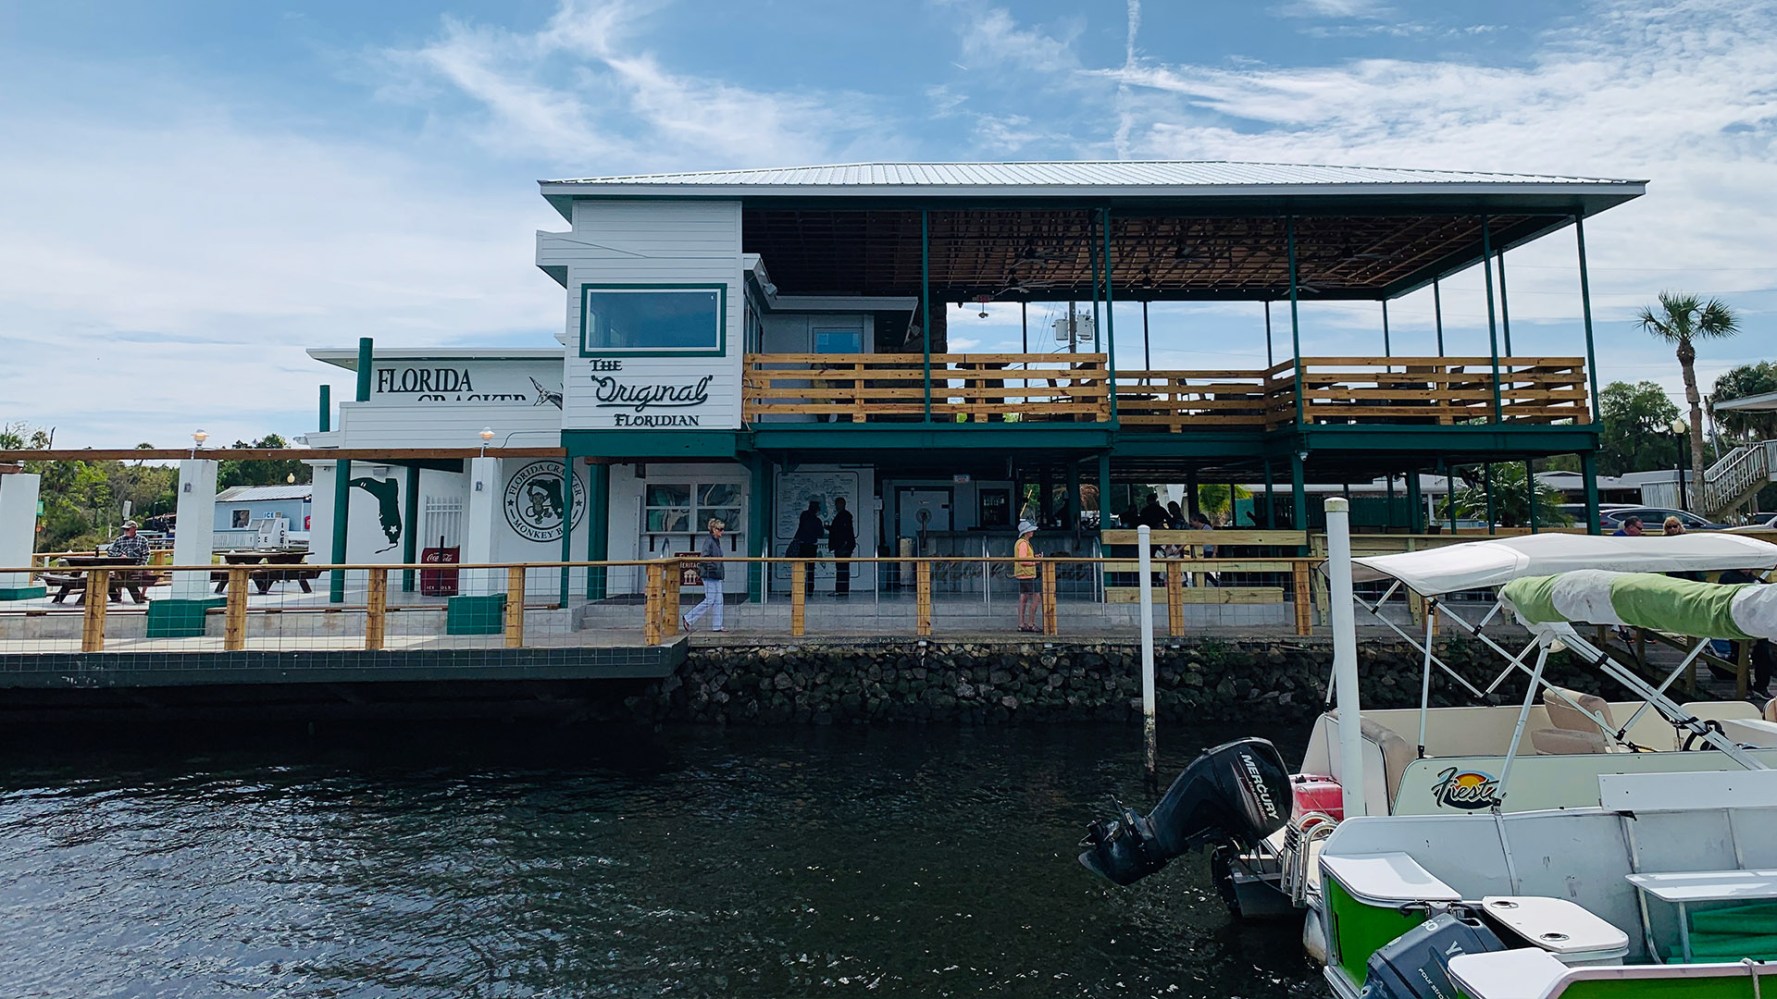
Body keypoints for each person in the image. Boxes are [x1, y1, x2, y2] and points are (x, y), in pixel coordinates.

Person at [682, 519, 727, 633]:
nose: (722, 532)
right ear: (714, 529)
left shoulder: (715, 541)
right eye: (720, 529)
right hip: (710, 574)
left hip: (715, 574)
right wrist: (713, 567)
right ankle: (689, 617)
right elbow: (705, 557)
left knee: (718, 600)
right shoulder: (709, 541)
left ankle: (717, 625)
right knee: (711, 599)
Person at [791, 499, 824, 595]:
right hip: (811, 547)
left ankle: (797, 589)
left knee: (798, 568)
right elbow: (820, 534)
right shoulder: (817, 521)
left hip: (801, 545)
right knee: (810, 569)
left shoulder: (804, 516)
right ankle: (809, 590)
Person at [1014, 520, 1041, 633]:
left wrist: (1033, 557)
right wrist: (1035, 561)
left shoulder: (1019, 543)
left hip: (1022, 574)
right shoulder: (1024, 543)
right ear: (1026, 532)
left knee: (1023, 598)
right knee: (1036, 597)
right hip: (1027, 574)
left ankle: (1021, 623)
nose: (1032, 532)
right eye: (1031, 530)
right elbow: (1023, 560)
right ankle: (1030, 623)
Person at [828, 497, 857, 596]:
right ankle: (841, 590)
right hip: (843, 546)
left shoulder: (844, 516)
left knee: (842, 569)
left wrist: (844, 544)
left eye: (838, 504)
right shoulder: (844, 516)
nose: (836, 506)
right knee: (842, 568)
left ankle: (841, 590)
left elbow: (844, 531)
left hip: (842, 547)